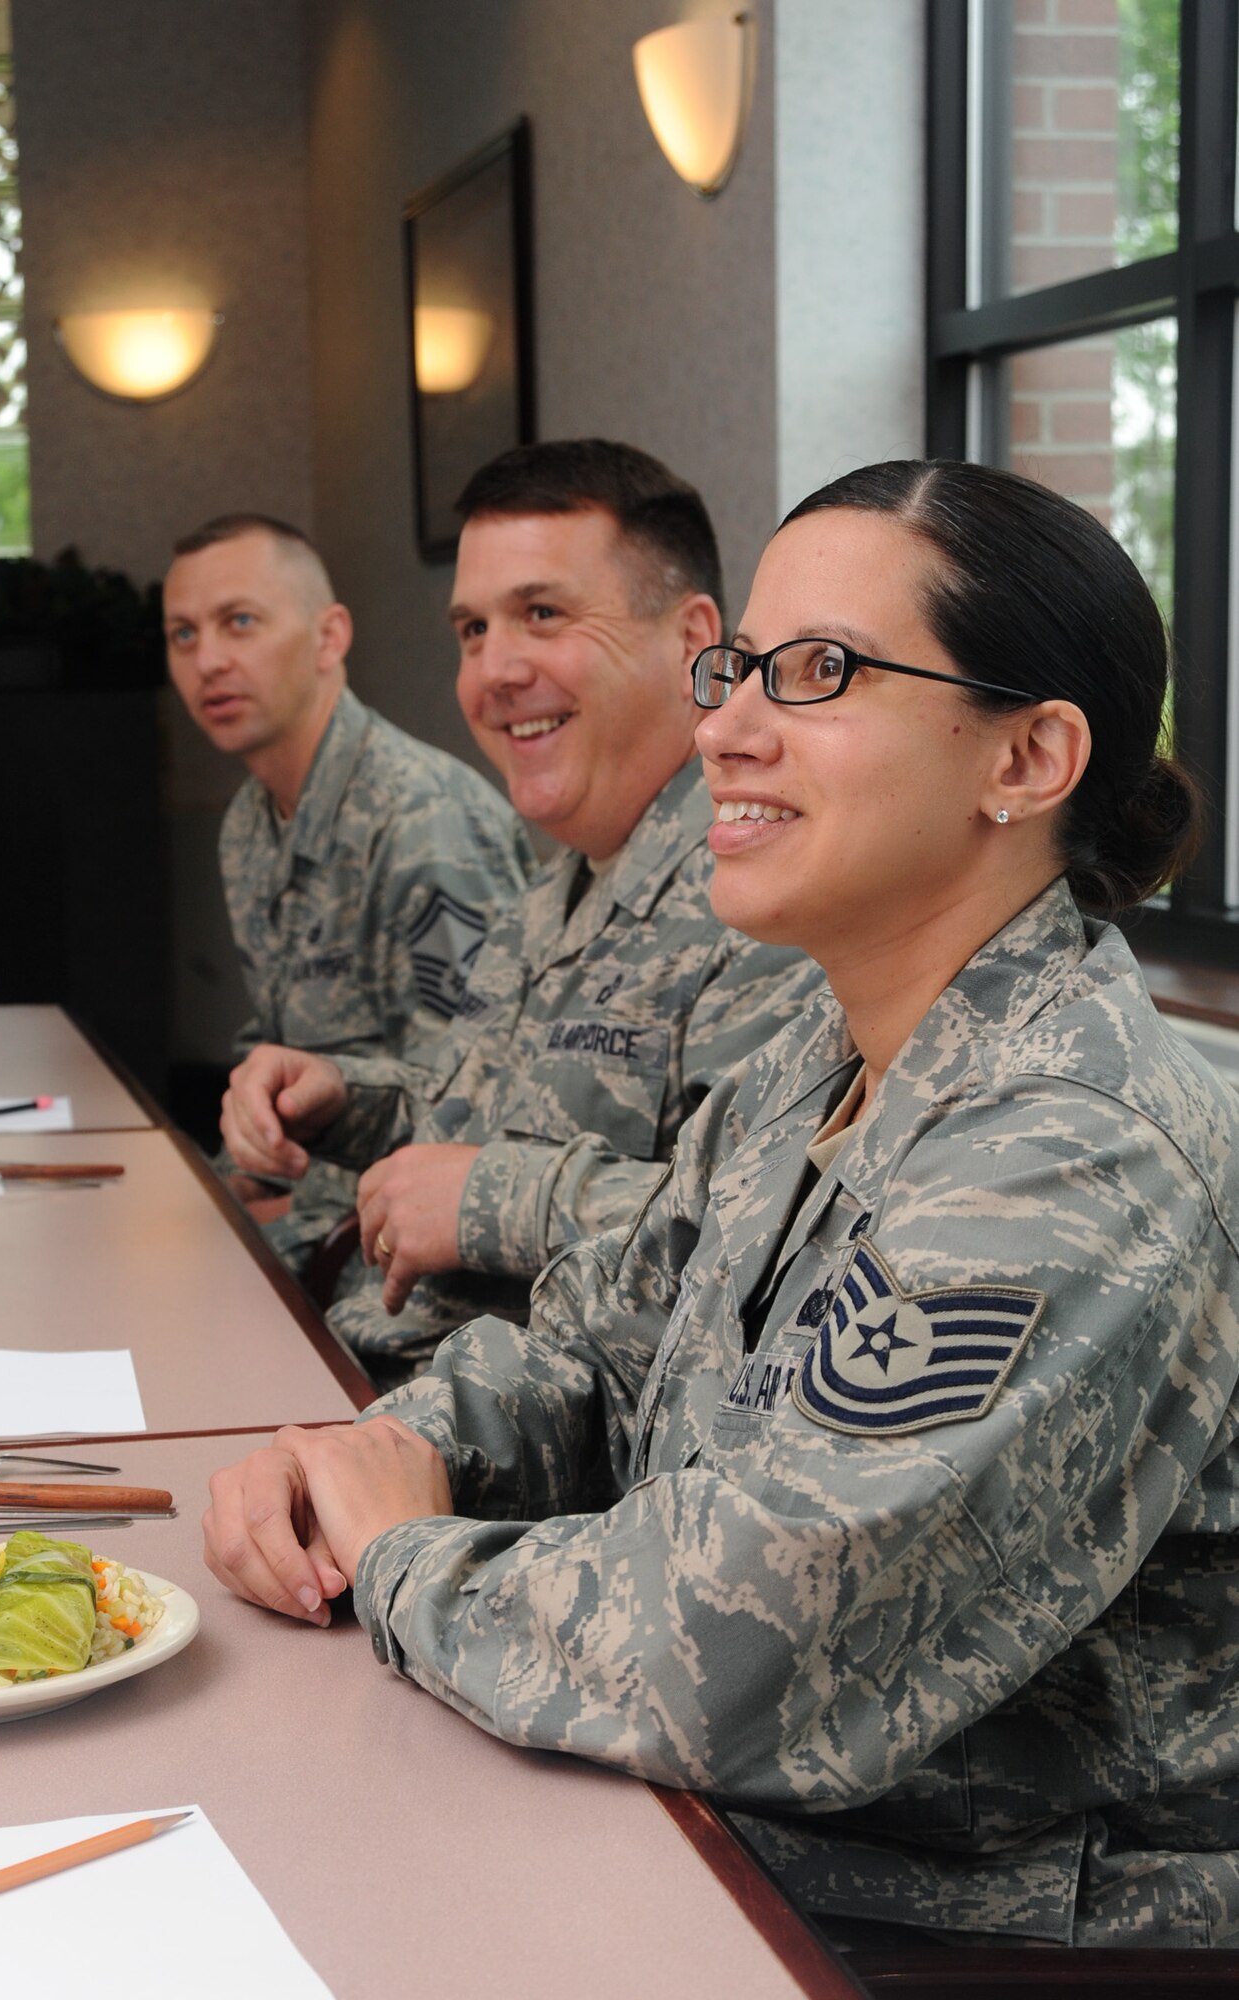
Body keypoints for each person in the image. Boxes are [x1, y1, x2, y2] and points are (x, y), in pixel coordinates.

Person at [203, 459, 1239, 1949]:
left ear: (1027, 758)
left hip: (973, 1926)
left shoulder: (1074, 1154)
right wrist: (384, 1447)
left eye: (815, 672)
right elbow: (599, 1344)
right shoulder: (823, 1049)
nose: (728, 726)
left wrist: (395, 1556)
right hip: (742, 1838)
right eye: (736, 664)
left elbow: (737, 1653)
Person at [218, 441, 817, 1381]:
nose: (493, 670)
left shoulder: (768, 894)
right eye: (471, 631)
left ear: (694, 637)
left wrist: (496, 1198)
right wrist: (343, 1099)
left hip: (506, 1466)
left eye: (542, 614)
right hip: (368, 1374)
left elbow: (778, 1231)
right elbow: (487, 1116)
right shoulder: (565, 880)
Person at [164, 513, 532, 1266]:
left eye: (239, 622)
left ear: (329, 637)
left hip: (395, 1245)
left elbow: (475, 1101)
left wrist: (286, 1207)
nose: (208, 661)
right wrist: (245, 1159)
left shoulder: (423, 817)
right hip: (299, 1202)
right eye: (183, 635)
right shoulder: (248, 823)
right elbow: (274, 1044)